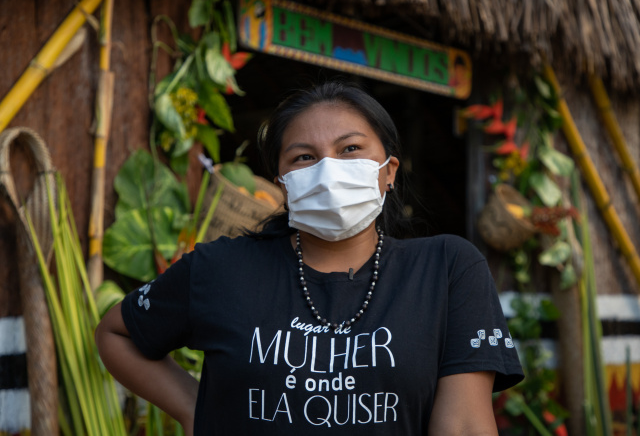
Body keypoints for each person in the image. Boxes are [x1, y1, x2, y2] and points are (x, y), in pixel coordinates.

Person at [95, 81, 523, 436]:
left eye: (350, 149)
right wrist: (193, 407)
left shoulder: (448, 270)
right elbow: (117, 334)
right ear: (284, 183)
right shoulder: (222, 268)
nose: (328, 170)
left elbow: (465, 425)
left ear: (388, 172)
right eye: (305, 157)